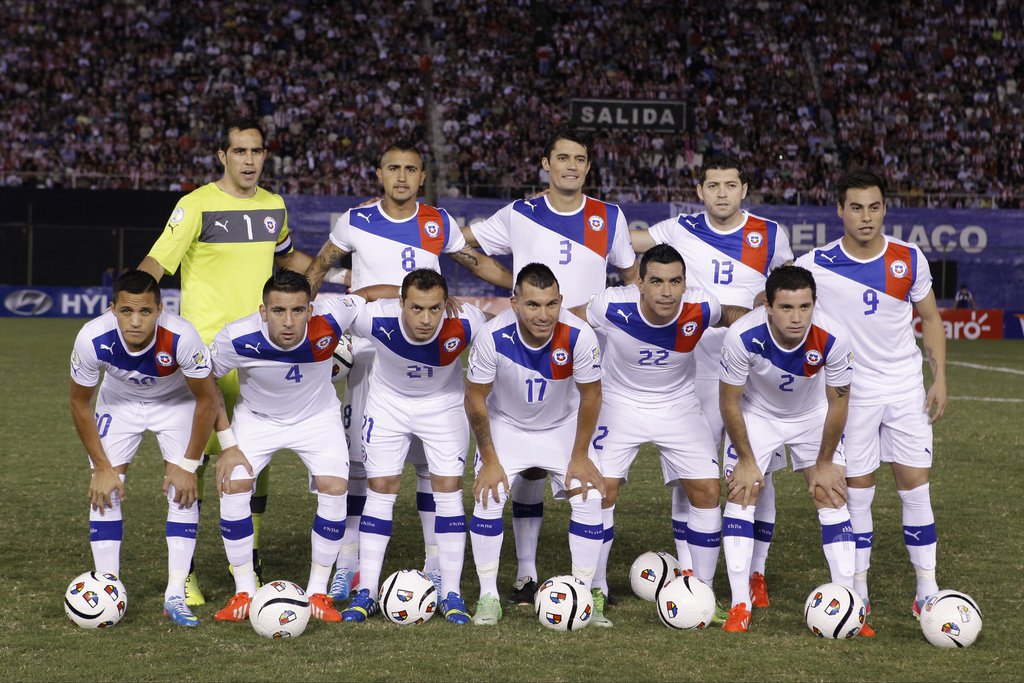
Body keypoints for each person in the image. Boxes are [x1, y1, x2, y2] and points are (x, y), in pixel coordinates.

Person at [304, 139, 512, 602]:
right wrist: (301, 309)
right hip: (367, 349)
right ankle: (349, 565)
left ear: (422, 177)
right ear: (379, 174)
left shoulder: (438, 222)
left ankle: (436, 564)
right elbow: (319, 267)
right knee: (361, 465)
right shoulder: (355, 220)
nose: (401, 176)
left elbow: (477, 264)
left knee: (430, 468)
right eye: (393, 168)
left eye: (411, 169)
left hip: (427, 342)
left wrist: (521, 287)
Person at [138, 117, 317, 604]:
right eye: (240, 152)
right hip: (204, 359)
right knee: (191, 460)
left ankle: (250, 559)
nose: (249, 161)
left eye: (257, 152)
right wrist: (131, 301)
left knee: (254, 463)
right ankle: (187, 570)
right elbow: (157, 262)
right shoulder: (195, 205)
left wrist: (340, 270)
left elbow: (287, 256)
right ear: (223, 155)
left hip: (259, 357)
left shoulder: (272, 206)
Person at [461, 125, 638, 604]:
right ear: (546, 163)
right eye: (563, 158)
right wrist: (512, 286)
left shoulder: (609, 216)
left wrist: (609, 316)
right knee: (529, 468)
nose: (572, 166)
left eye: (580, 159)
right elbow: (463, 246)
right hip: (529, 346)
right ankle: (524, 573)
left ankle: (595, 584)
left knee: (598, 474)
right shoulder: (520, 214)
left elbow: (630, 276)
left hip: (594, 357)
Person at [631, 154, 793, 607]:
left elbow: (784, 286)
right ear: (699, 192)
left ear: (744, 190)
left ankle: (755, 575)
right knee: (693, 475)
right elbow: (626, 241)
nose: (721, 192)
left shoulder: (771, 234)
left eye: (730, 184)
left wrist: (765, 297)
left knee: (757, 474)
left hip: (756, 373)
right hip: (696, 371)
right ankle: (688, 570)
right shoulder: (677, 229)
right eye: (713, 185)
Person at [795, 170, 947, 631]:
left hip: (904, 387)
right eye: (856, 207)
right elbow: (776, 296)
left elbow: (931, 317)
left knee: (914, 485)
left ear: (885, 209)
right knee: (857, 492)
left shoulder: (908, 257)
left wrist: (939, 379)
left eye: (874, 207)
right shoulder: (816, 263)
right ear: (839, 210)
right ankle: (856, 592)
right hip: (851, 393)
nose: (866, 217)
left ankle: (927, 590)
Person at [568, 245, 749, 627]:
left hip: (679, 406)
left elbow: (729, 315)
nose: (667, 292)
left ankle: (702, 590)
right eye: (657, 282)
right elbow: (568, 322)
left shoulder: (701, 306)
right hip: (620, 403)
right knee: (601, 491)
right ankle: (596, 590)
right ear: (640, 284)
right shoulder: (611, 306)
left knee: (707, 492)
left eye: (675, 282)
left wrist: (762, 316)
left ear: (685, 284)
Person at [208, 270, 392, 623]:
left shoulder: (332, 316)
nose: (288, 321)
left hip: (316, 419)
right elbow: (204, 380)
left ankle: (318, 593)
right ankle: (243, 591)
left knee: (335, 488)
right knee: (234, 486)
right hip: (257, 419)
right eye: (278, 311)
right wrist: (228, 443)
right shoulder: (237, 337)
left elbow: (366, 294)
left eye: (297, 310)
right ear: (263, 312)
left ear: (311, 309)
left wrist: (408, 292)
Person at [69, 270, 218, 627]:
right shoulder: (92, 338)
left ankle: (175, 595)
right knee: (105, 489)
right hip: (118, 402)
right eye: (126, 311)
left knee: (182, 490)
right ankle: (108, 588)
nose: (135, 321)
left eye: (145, 312)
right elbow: (79, 404)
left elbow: (208, 400)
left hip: (175, 401)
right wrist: (102, 466)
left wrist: (188, 463)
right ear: (112, 309)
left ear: (160, 309)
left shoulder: (181, 336)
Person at [339, 269, 487, 625]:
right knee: (381, 490)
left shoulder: (468, 321)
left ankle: (451, 593)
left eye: (435, 309)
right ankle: (367, 592)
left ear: (446, 304)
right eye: (417, 308)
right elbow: (335, 312)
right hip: (388, 406)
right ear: (400, 303)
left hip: (443, 406)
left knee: (449, 491)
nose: (426, 319)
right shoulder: (373, 317)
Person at [465, 263, 606, 625]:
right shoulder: (492, 337)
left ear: (560, 301)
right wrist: (490, 460)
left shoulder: (580, 335)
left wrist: (579, 456)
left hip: (561, 426)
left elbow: (591, 397)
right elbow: (476, 400)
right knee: (489, 496)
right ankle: (488, 597)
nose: (543, 315)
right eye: (532, 305)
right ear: (514, 303)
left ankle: (583, 595)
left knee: (590, 496)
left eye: (550, 304)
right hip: (508, 426)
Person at [718, 265, 856, 633]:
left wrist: (824, 462)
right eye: (786, 308)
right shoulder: (741, 336)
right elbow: (729, 403)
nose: (797, 318)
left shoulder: (834, 337)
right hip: (757, 414)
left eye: (805, 307)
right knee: (742, 492)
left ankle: (846, 602)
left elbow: (839, 403)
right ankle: (739, 605)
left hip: (812, 416)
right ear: (767, 306)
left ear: (814, 304)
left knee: (831, 492)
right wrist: (747, 460)